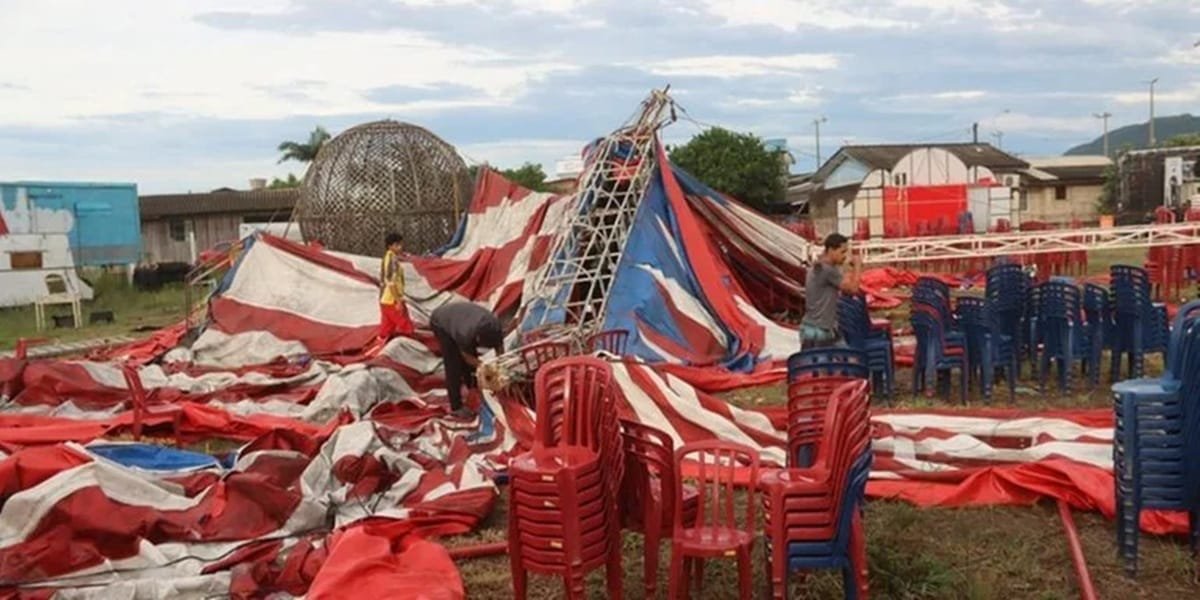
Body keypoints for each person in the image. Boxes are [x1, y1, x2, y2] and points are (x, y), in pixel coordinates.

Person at [430, 302, 505, 419]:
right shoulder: (465, 333)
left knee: (471, 358)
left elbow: (500, 348)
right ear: (477, 338)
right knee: (453, 364)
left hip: (461, 318)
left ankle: (472, 386)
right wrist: (484, 365)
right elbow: (466, 356)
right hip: (440, 322)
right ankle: (456, 406)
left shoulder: (495, 326)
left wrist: (501, 365)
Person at [801, 232, 861, 349]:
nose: (845, 256)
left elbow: (842, 283)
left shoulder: (820, 266)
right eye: (842, 252)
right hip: (820, 331)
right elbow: (853, 289)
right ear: (831, 250)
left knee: (848, 361)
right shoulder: (828, 270)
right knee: (839, 363)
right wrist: (858, 266)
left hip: (822, 328)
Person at [378, 232, 415, 342]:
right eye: (397, 245)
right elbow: (391, 282)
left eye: (400, 244)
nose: (400, 247)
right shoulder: (392, 259)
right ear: (390, 246)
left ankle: (380, 346)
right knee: (406, 326)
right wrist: (398, 301)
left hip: (385, 300)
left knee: (386, 329)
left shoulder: (390, 257)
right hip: (392, 299)